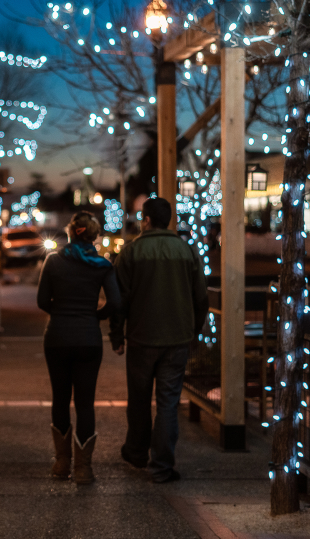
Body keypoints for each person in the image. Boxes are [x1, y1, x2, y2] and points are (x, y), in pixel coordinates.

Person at [112, 197, 208, 483]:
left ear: (146, 219)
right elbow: (200, 297)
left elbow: (119, 300)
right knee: (168, 403)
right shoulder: (187, 251)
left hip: (142, 337)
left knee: (139, 400)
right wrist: (195, 331)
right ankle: (162, 466)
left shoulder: (131, 252)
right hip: (177, 338)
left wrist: (117, 334)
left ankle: (137, 452)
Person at [36, 212, 122, 484]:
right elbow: (115, 302)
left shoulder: (54, 261)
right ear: (93, 236)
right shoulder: (102, 264)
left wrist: (60, 312)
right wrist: (95, 315)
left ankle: (62, 463)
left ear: (73, 232)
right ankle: (84, 469)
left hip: (57, 337)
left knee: (60, 398)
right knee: (85, 403)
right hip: (88, 339)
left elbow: (41, 301)